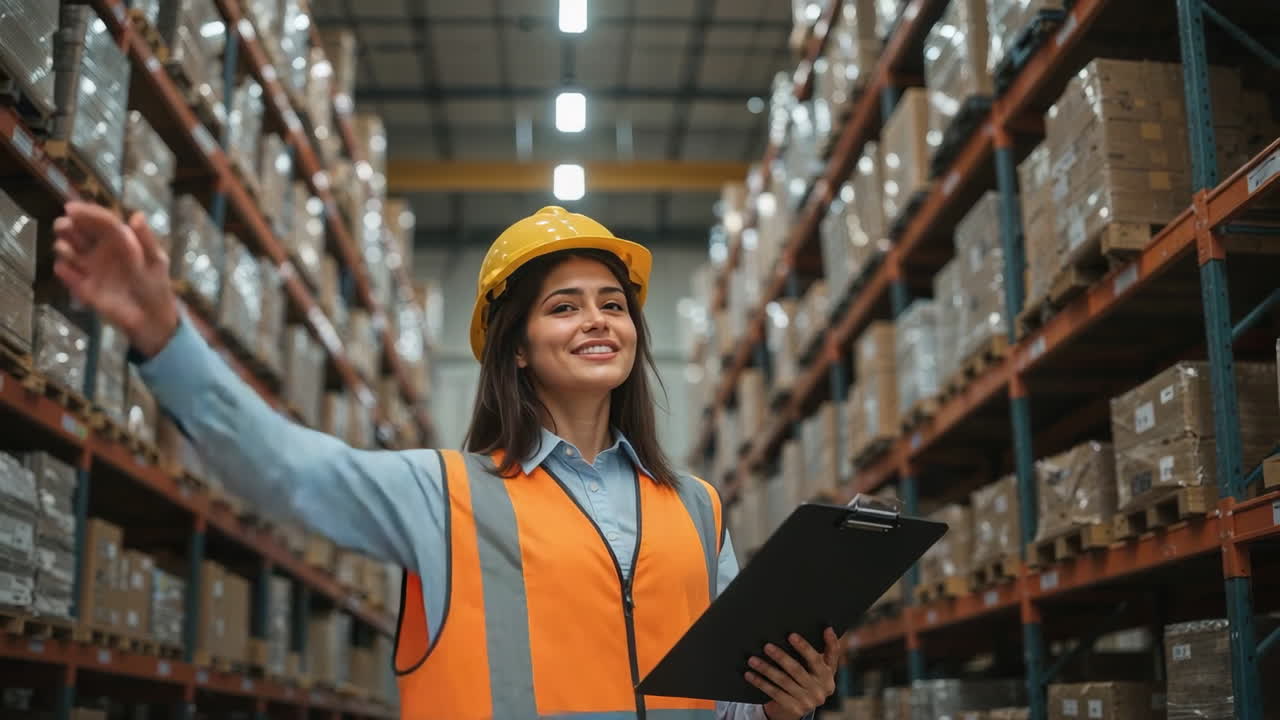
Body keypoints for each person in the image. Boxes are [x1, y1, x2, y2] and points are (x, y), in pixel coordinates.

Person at [52, 202, 842, 720]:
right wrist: (164, 334)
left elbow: (727, 701)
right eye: (563, 306)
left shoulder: (696, 507)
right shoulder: (450, 493)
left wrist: (781, 703)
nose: (598, 321)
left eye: (612, 304)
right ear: (520, 351)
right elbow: (287, 471)